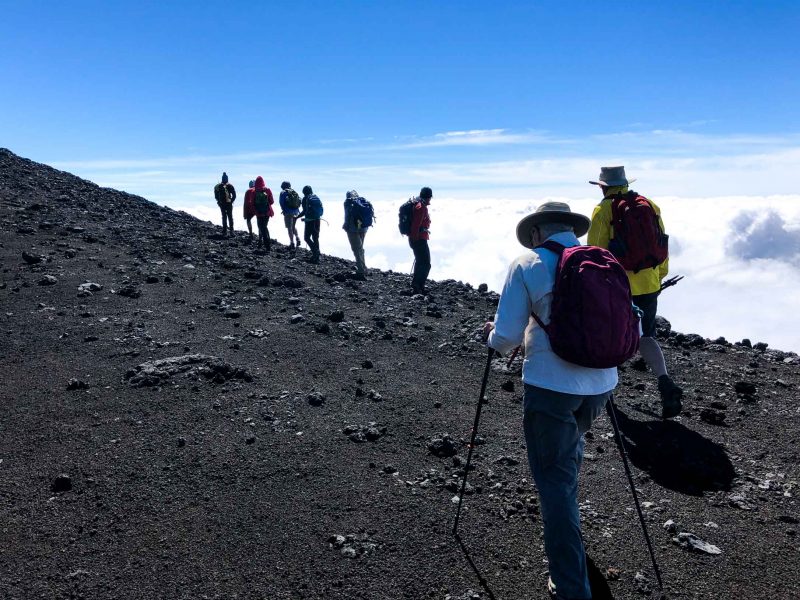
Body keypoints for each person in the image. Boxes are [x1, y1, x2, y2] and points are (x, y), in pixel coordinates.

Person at [484, 202, 617, 600]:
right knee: (567, 456)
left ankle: (571, 587)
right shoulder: (605, 261)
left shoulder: (527, 263)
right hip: (602, 382)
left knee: (554, 482)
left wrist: (490, 335)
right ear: (570, 230)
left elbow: (505, 337)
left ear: (538, 232)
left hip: (551, 385)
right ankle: (569, 526)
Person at [587, 166, 683, 419]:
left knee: (611, 335)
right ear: (626, 183)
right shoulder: (649, 205)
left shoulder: (604, 209)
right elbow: (662, 241)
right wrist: (658, 276)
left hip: (618, 285)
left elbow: (596, 252)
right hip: (649, 282)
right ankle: (664, 382)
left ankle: (604, 391)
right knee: (647, 335)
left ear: (602, 186)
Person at [408, 186, 433, 294]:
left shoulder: (417, 203)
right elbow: (416, 224)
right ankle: (418, 284)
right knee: (426, 263)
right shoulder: (421, 207)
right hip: (419, 239)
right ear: (428, 197)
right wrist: (415, 238)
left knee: (420, 261)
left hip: (416, 238)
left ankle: (418, 285)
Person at [342, 190, 370, 279]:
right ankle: (364, 267)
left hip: (352, 229)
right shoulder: (362, 201)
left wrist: (345, 225)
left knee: (356, 249)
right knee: (360, 248)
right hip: (364, 228)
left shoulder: (348, 202)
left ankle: (361, 271)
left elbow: (347, 215)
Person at [298, 185, 323, 264]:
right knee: (315, 238)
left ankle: (315, 251)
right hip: (318, 220)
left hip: (309, 221)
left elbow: (305, 211)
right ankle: (317, 256)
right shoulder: (316, 197)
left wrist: (297, 217)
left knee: (306, 237)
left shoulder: (305, 198)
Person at [252, 176, 274, 252]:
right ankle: (268, 244)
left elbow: (252, 203)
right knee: (264, 227)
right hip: (267, 212)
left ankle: (267, 245)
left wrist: (256, 210)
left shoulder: (254, 191)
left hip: (259, 213)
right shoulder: (267, 190)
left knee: (262, 228)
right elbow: (272, 201)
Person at [278, 181, 302, 249]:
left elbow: (281, 202)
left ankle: (292, 243)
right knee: (293, 226)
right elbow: (300, 201)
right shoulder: (294, 191)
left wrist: (284, 210)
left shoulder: (283, 192)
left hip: (288, 212)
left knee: (289, 227)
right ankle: (297, 238)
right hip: (295, 212)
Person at [213, 172, 237, 236]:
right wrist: (231, 201)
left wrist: (219, 202)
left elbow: (216, 196)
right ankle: (231, 231)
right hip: (229, 203)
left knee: (224, 216)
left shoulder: (219, 186)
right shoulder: (230, 186)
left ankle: (224, 231)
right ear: (227, 178)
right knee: (230, 217)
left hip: (222, 204)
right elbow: (234, 195)